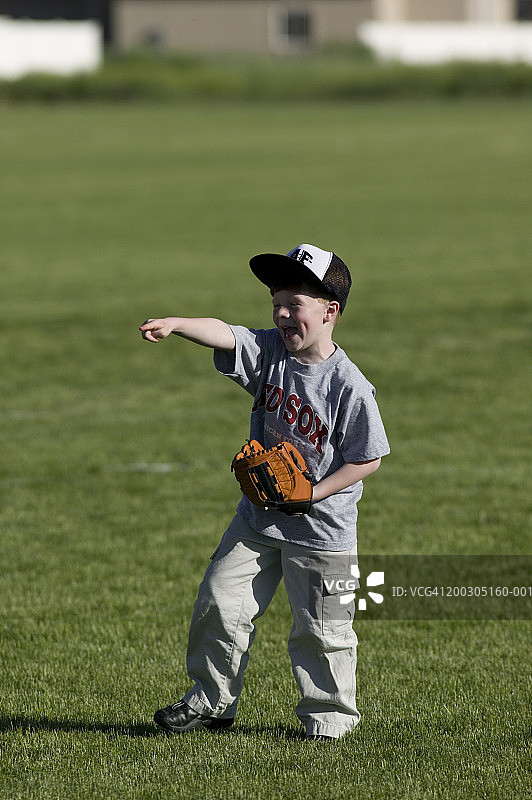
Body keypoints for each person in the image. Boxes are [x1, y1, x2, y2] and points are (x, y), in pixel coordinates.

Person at [139, 243, 390, 741]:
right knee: (219, 601)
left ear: (329, 311)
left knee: (325, 632)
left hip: (324, 534)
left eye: (294, 303)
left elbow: (368, 457)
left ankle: (328, 722)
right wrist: (176, 323)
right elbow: (225, 333)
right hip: (257, 520)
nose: (281, 314)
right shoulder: (271, 352)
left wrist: (312, 493)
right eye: (276, 302)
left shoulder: (350, 386)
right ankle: (211, 702)